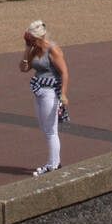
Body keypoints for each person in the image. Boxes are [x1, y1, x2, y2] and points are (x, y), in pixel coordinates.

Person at [18, 19, 69, 176]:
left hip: (50, 91)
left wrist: (63, 94)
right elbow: (24, 68)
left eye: (31, 39)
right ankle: (54, 162)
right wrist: (27, 51)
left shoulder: (53, 50)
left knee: (50, 130)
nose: (30, 41)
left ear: (39, 37)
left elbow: (64, 72)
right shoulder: (34, 50)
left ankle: (53, 164)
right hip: (38, 89)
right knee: (44, 128)